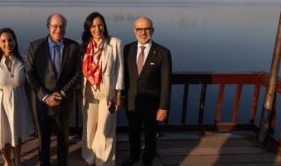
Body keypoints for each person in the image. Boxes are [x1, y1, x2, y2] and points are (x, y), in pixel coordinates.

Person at [26, 13, 81, 166]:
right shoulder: (35, 46)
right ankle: (44, 162)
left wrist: (63, 92)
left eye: (62, 26)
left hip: (64, 101)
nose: (59, 29)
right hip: (42, 103)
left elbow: (78, 73)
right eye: (55, 26)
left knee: (63, 138)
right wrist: (45, 96)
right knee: (43, 138)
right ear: (48, 27)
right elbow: (30, 74)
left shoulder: (73, 46)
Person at [122, 17, 172, 166]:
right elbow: (122, 76)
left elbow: (166, 82)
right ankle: (134, 155)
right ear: (134, 31)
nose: (143, 32)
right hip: (131, 101)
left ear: (152, 30)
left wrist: (163, 107)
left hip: (152, 103)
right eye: (139, 29)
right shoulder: (127, 49)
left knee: (150, 133)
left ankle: (148, 157)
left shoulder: (163, 52)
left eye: (147, 29)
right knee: (133, 131)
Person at [0, 28, 34, 166]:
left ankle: (17, 159)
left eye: (10, 40)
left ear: (15, 41)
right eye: (3, 41)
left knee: (17, 133)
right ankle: (7, 161)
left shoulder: (23, 60)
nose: (7, 43)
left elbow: (31, 82)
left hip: (19, 101)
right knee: (2, 134)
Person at [79, 12, 124, 166]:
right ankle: (90, 157)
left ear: (104, 26)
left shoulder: (114, 43)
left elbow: (119, 70)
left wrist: (118, 94)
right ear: (88, 28)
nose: (97, 29)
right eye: (93, 26)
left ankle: (103, 161)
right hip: (89, 93)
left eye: (100, 25)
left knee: (106, 129)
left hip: (108, 94)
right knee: (89, 128)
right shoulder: (84, 46)